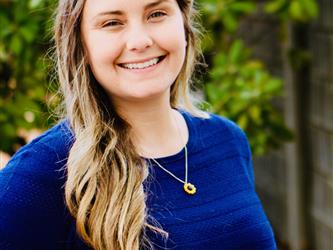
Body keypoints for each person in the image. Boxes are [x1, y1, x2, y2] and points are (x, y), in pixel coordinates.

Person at [0, 0, 277, 249]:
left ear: (183, 21)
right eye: (112, 22)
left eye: (156, 14)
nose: (140, 41)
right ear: (80, 43)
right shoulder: (41, 173)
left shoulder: (228, 139)